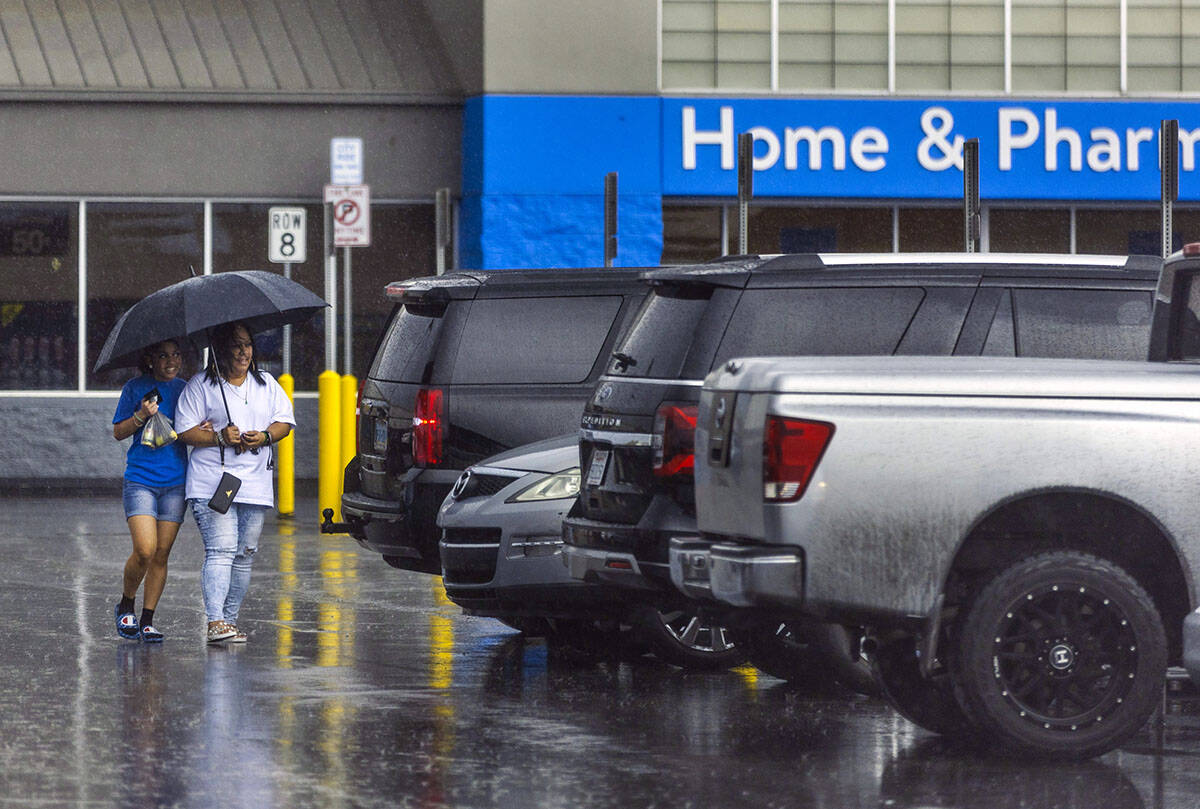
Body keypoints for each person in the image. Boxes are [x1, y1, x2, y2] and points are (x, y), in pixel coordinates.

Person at [176, 322, 294, 644]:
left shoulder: (266, 384)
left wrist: (265, 436)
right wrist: (218, 437)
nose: (243, 352)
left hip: (255, 484)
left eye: (248, 345)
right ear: (221, 349)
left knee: (244, 553)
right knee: (222, 549)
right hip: (213, 483)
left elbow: (285, 421)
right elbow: (184, 430)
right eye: (236, 345)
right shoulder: (201, 386)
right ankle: (215, 621)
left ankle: (229, 621)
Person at [112, 340, 188, 642]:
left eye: (176, 354)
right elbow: (118, 431)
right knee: (145, 550)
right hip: (141, 479)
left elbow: (192, 427)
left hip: (176, 482)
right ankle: (126, 604)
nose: (171, 361)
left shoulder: (186, 388)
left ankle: (147, 619)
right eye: (163, 356)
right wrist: (141, 415)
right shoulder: (135, 387)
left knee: (161, 554)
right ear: (150, 359)